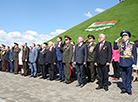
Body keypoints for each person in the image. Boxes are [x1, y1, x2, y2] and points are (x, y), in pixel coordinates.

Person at [114, 30, 137, 95]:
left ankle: (129, 89)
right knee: (123, 77)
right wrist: (116, 42)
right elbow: (115, 48)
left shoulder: (132, 44)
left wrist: (134, 63)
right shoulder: (121, 44)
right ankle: (124, 88)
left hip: (129, 62)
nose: (123, 38)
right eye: (123, 37)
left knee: (129, 77)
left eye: (125, 36)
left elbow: (135, 54)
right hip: (122, 62)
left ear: (128, 37)